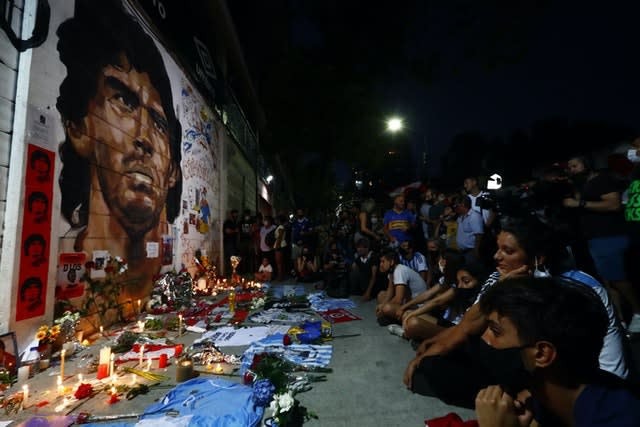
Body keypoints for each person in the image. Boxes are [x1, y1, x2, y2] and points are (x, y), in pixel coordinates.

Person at [403, 218, 628, 407]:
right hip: (510, 366)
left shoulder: (577, 290)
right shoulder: (499, 277)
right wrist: (429, 353)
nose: (496, 257)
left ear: (537, 259)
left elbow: (610, 367)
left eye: (508, 251)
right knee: (431, 366)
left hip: (560, 381)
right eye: (498, 249)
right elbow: (467, 327)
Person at [56, 0, 182, 300]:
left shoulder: (172, 273)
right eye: (124, 102)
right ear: (77, 127)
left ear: (173, 172)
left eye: (159, 124)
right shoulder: (60, 271)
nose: (144, 138)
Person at [475, 277, 640, 427]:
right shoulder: (547, 395)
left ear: (542, 354)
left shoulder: (620, 419)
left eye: (495, 331)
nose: (485, 337)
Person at [563, 154, 640, 332]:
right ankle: (619, 319)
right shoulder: (585, 184)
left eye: (574, 166)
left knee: (618, 278)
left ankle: (637, 311)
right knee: (608, 280)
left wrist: (579, 203)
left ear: (587, 164)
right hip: (596, 238)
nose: (571, 170)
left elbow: (613, 204)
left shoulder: (602, 180)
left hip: (608, 236)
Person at [376, 249, 427, 325]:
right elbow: (390, 290)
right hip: (408, 302)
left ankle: (395, 318)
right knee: (382, 295)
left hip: (418, 306)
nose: (381, 264)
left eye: (383, 261)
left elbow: (398, 299)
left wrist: (383, 308)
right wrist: (383, 305)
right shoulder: (391, 272)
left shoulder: (399, 270)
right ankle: (392, 317)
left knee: (387, 308)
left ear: (392, 262)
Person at [223, 209, 240, 276]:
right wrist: (234, 231)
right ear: (231, 214)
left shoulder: (235, 223)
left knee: (234, 259)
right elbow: (227, 231)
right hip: (229, 243)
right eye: (234, 215)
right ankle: (230, 274)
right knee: (230, 259)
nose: (236, 216)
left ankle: (233, 274)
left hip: (234, 244)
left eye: (237, 215)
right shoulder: (228, 222)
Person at [273, 214, 288, 281]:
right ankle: (282, 276)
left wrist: (277, 246)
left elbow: (280, 237)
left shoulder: (281, 227)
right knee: (281, 262)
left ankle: (280, 276)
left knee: (279, 262)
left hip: (280, 245)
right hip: (281, 244)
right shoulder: (281, 227)